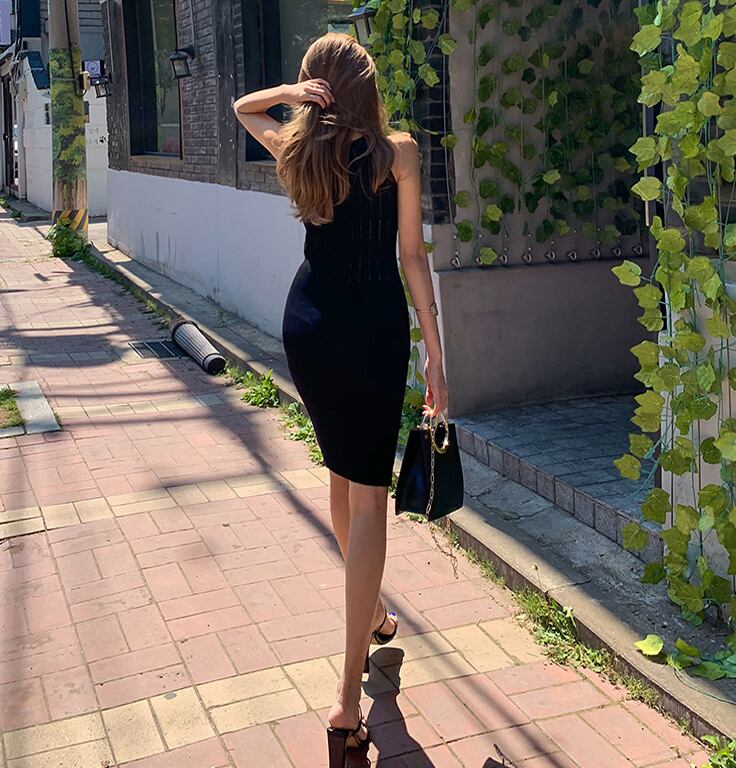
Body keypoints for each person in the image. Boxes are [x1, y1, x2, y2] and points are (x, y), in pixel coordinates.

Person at [233, 32, 448, 767]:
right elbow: (411, 257)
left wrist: (292, 97)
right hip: (372, 332)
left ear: (318, 88)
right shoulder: (399, 154)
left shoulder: (300, 152)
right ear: (367, 87)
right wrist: (435, 350)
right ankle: (348, 699)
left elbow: (243, 108)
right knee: (368, 498)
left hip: (309, 328)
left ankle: (375, 612)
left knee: (341, 480)